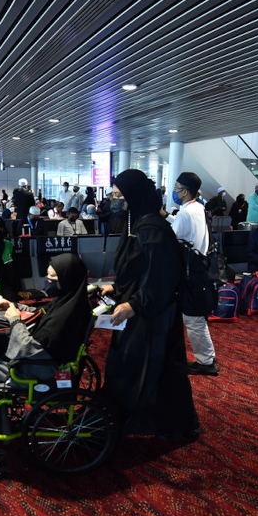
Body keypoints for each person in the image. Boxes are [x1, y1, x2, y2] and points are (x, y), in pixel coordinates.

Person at [0, 254, 92, 443]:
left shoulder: (66, 316)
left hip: (39, 368)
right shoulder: (70, 301)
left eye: (52, 277)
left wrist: (14, 319)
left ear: (66, 278)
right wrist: (14, 306)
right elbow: (42, 316)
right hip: (42, 360)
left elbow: (28, 348)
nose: (47, 281)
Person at [100, 169, 200, 440]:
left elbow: (162, 276)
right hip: (141, 309)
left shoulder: (152, 228)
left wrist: (134, 304)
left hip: (153, 314)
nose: (113, 199)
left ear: (133, 196)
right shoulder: (136, 223)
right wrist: (118, 288)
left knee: (150, 367)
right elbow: (137, 268)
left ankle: (146, 421)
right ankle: (125, 415)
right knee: (132, 365)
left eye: (118, 195)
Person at [171, 172, 218, 376]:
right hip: (199, 267)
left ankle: (206, 361)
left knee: (193, 318)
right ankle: (206, 359)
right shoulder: (198, 208)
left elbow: (173, 237)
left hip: (190, 271)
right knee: (193, 316)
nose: (174, 191)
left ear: (186, 191)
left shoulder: (186, 213)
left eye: (177, 188)